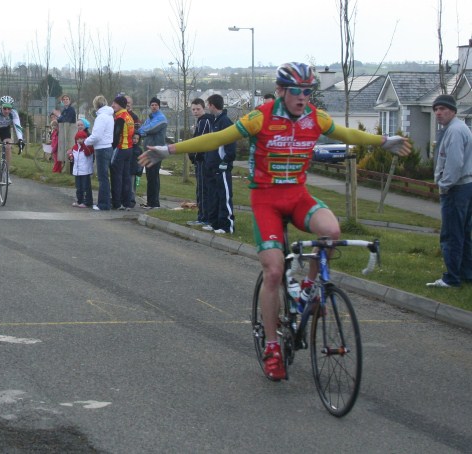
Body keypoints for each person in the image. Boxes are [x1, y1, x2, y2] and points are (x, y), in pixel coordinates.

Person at [140, 62, 411, 380]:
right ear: (281, 91)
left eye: (309, 92)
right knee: (274, 270)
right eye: (297, 91)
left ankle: (310, 287)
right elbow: (216, 139)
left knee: (332, 230)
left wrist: (383, 141)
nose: (303, 98)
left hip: (298, 196)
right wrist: (169, 149)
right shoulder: (261, 117)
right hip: (265, 199)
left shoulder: (315, 117)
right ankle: (271, 345)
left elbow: (346, 133)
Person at [427, 94, 472, 288]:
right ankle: (466, 273)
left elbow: (454, 163)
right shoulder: (459, 128)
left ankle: (451, 278)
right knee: (463, 233)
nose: (438, 113)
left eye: (443, 109)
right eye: (436, 109)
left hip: (457, 188)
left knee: (451, 235)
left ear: (453, 111)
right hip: (466, 185)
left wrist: (444, 186)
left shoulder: (454, 131)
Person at [202, 94, 236, 234]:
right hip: (212, 164)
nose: (207, 107)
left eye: (208, 104)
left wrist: (226, 161)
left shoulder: (225, 122)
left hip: (221, 165)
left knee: (224, 195)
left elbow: (230, 144)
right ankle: (214, 222)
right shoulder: (214, 121)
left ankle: (226, 225)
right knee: (213, 195)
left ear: (212, 105)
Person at [0, 95, 25, 187]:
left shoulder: (14, 113)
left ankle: (5, 173)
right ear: (1, 107)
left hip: (5, 129)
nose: (7, 111)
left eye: (9, 109)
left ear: (12, 108)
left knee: (8, 146)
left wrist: (20, 140)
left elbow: (18, 127)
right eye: (5, 108)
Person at [187, 98, 214, 226]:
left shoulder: (204, 121)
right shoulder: (201, 121)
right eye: (193, 109)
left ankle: (204, 218)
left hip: (203, 160)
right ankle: (203, 216)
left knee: (203, 190)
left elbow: (200, 141)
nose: (195, 112)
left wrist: (194, 156)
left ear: (204, 108)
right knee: (201, 189)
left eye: (198, 109)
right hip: (202, 160)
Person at [85, 95, 114, 211]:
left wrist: (86, 142)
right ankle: (106, 201)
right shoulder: (109, 116)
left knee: (102, 178)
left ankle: (103, 204)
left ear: (96, 105)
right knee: (105, 177)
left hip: (102, 148)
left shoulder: (101, 117)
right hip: (108, 147)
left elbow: (96, 136)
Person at [138, 97, 168, 209]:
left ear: (159, 106)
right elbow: (144, 128)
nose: (154, 107)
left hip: (156, 151)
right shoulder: (150, 117)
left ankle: (154, 203)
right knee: (150, 177)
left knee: (154, 177)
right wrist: (143, 130)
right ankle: (150, 202)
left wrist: (141, 131)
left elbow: (150, 129)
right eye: (152, 105)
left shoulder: (161, 118)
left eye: (156, 105)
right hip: (148, 151)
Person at [110, 96, 135, 210]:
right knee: (126, 177)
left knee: (117, 177)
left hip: (120, 149)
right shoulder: (129, 116)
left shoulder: (120, 117)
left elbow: (116, 136)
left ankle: (117, 202)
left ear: (120, 104)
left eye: (114, 103)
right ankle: (127, 203)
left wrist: (111, 148)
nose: (112, 105)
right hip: (129, 149)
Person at [68, 129, 94, 208]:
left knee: (86, 187)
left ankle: (87, 202)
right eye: (78, 139)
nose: (80, 140)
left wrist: (84, 145)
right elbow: (72, 156)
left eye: (82, 138)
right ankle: (80, 201)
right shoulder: (75, 147)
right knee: (78, 187)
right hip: (77, 171)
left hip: (85, 171)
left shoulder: (88, 146)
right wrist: (70, 156)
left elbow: (88, 153)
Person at [57, 94, 77, 172]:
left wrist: (60, 117)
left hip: (70, 132)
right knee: (64, 149)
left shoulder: (71, 109)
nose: (65, 101)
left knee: (70, 149)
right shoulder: (64, 110)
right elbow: (59, 120)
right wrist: (61, 118)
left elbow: (67, 119)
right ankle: (65, 167)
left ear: (70, 101)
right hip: (64, 131)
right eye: (64, 99)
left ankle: (69, 169)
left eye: (67, 99)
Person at [129, 132, 143, 208]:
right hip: (126, 169)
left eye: (137, 139)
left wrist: (139, 171)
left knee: (132, 187)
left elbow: (141, 162)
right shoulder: (128, 147)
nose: (135, 140)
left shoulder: (139, 150)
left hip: (133, 171)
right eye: (134, 138)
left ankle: (132, 201)